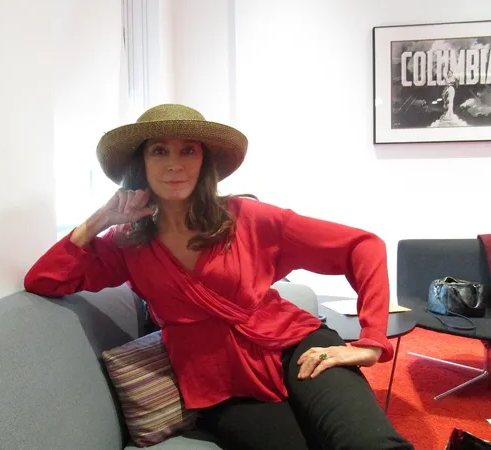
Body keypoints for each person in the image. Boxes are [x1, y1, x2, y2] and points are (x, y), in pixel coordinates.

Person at [24, 104, 414, 450]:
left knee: (368, 442)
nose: (174, 164)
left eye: (188, 151)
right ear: (140, 163)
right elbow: (44, 281)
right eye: (159, 151)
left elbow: (363, 246)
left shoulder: (248, 217)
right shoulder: (126, 243)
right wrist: (99, 219)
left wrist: (371, 342)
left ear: (203, 162)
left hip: (297, 345)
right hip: (218, 384)